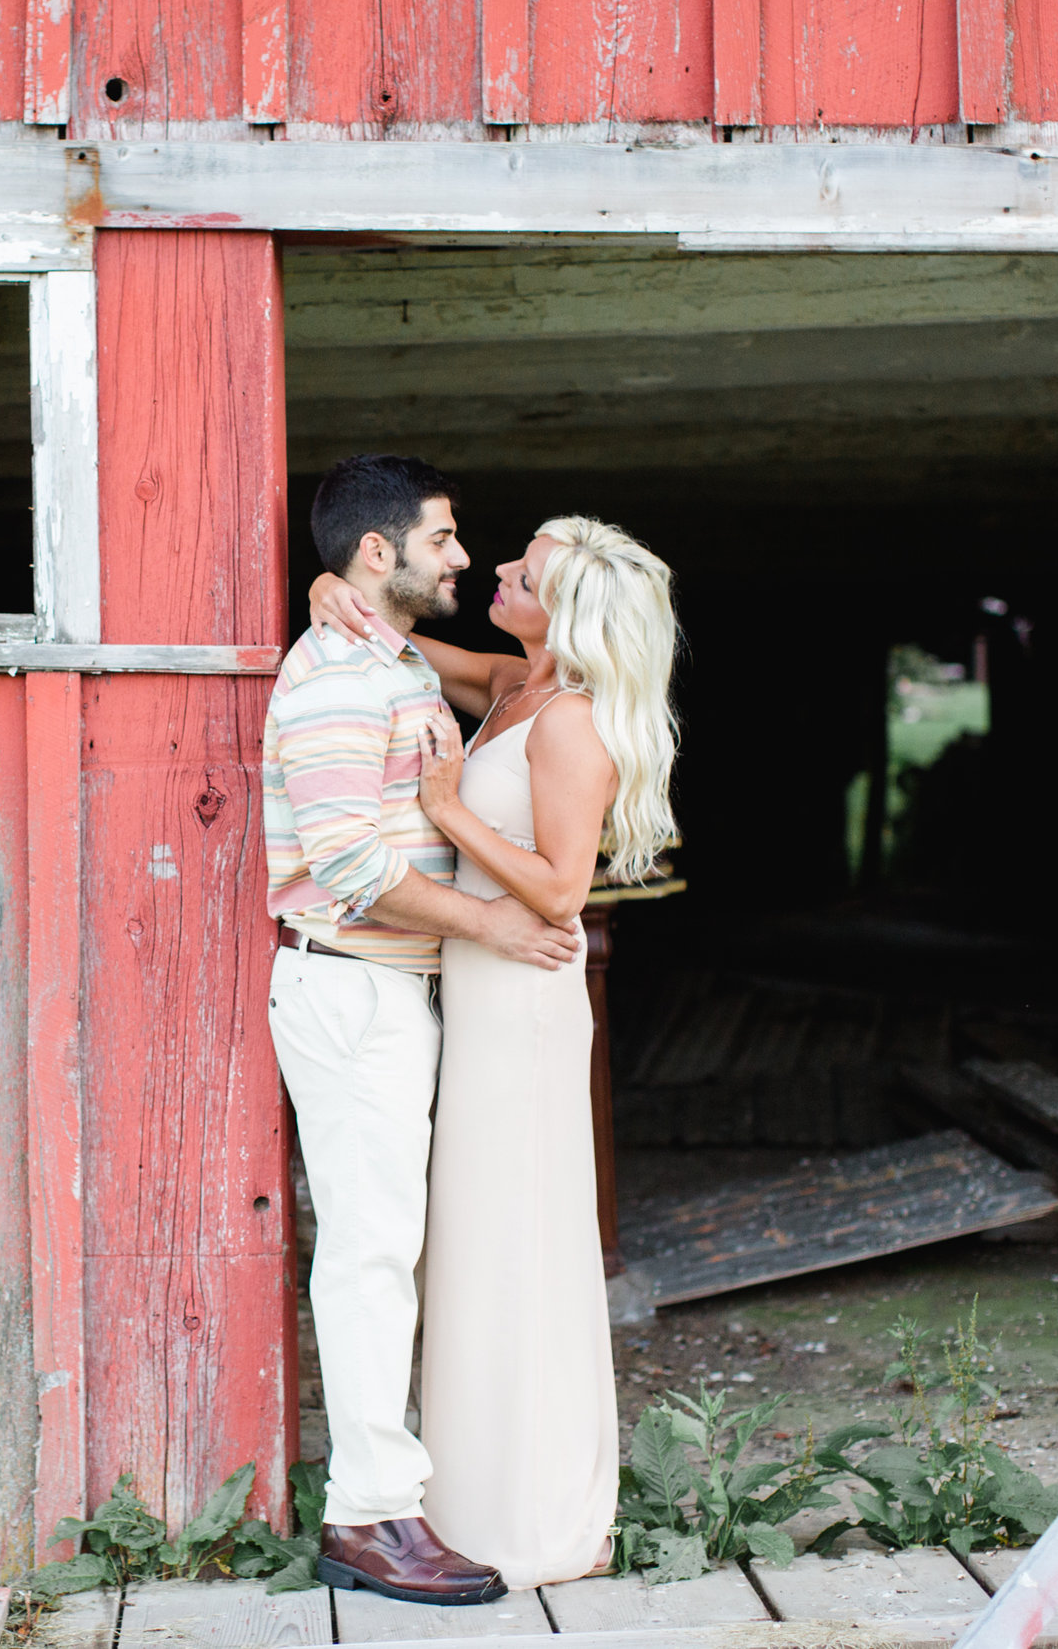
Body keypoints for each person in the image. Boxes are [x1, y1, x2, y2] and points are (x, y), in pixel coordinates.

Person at [308, 514, 682, 1590]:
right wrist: (332, 594)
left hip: (520, 1002)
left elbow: (564, 886)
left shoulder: (568, 721)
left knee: (518, 1251)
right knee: (474, 1249)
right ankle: (470, 1496)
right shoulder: (514, 683)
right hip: (478, 994)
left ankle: (530, 1517)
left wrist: (442, 812)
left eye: (526, 570)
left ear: (565, 615)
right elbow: (410, 645)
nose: (500, 571)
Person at [262, 456, 581, 1607]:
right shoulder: (338, 676)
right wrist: (491, 920)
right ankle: (369, 1518)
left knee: (388, 1246)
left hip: (393, 992)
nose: (462, 556)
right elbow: (347, 861)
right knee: (368, 1252)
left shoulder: (389, 656)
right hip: (351, 984)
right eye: (443, 539)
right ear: (378, 554)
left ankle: (391, 1495)